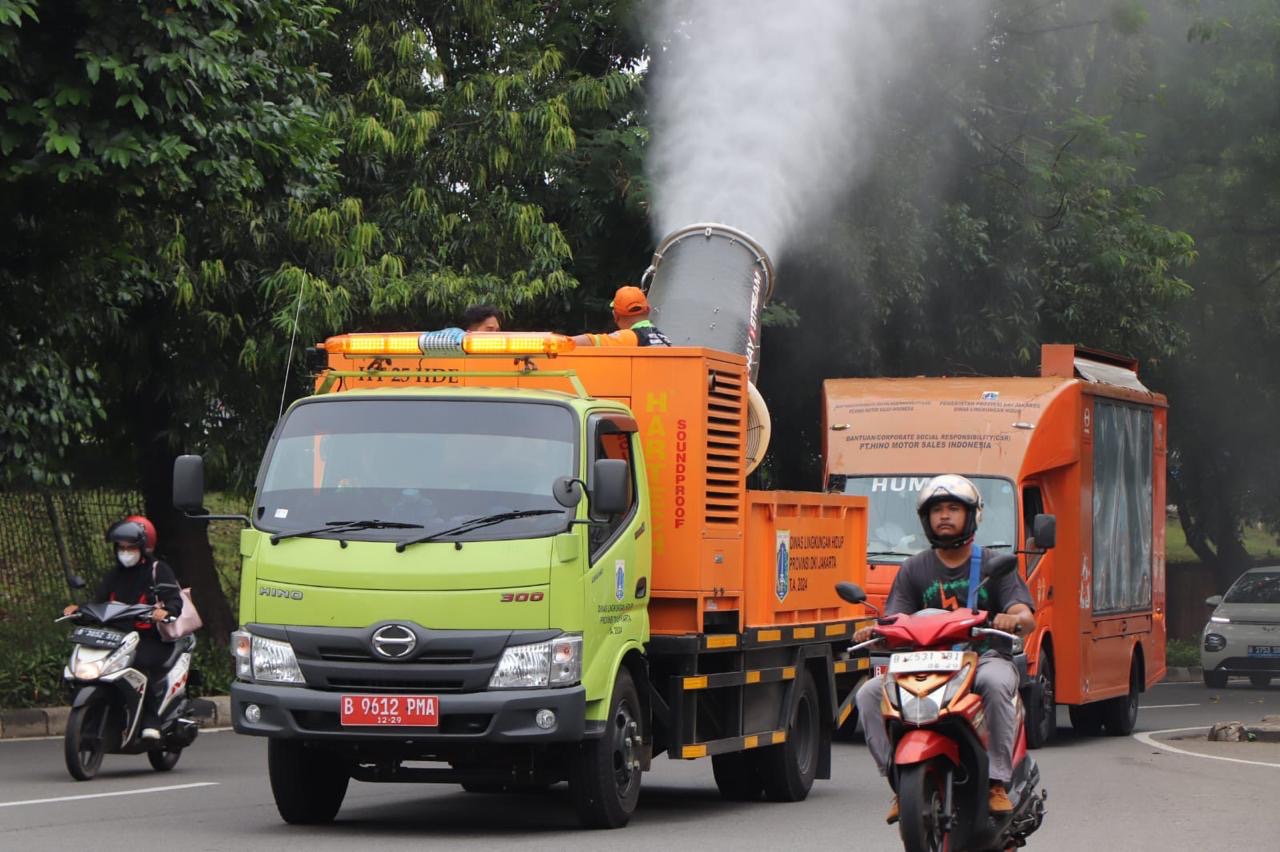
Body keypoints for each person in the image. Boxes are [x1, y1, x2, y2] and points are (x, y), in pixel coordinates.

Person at [852, 474, 1036, 824]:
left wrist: (1013, 619)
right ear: (926, 518)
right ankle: (897, 782)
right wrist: (873, 630)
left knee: (998, 683)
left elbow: (1023, 614)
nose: (945, 516)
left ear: (972, 516)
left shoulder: (994, 565)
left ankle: (997, 780)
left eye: (954, 508)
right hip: (924, 664)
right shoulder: (914, 568)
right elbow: (894, 619)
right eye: (937, 510)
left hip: (983, 658)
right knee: (868, 694)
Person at [63, 515, 184, 741]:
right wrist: (78, 610)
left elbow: (174, 601)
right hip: (116, 638)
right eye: (121, 547)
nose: (125, 552)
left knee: (139, 663)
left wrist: (165, 612)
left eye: (131, 548)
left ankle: (151, 721)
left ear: (143, 548)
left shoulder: (158, 570)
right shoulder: (114, 574)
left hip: (149, 637)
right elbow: (98, 603)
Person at [571, 285, 671, 347]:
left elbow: (590, 341)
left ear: (615, 316)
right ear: (648, 309)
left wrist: (558, 341)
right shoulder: (664, 339)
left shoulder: (630, 338)